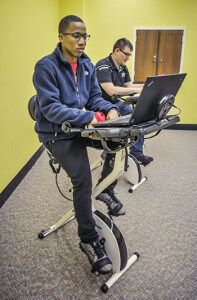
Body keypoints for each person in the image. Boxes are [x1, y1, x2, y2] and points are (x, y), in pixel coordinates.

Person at [33, 15, 123, 274]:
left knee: (118, 142)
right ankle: (89, 240)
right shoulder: (46, 66)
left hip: (80, 127)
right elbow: (51, 108)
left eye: (85, 36)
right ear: (61, 37)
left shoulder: (86, 64)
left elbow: (95, 98)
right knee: (83, 179)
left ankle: (107, 190)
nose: (82, 41)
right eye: (76, 35)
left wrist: (110, 110)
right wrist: (89, 117)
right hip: (55, 133)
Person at [95, 38, 153, 207]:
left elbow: (129, 85)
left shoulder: (122, 67)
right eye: (126, 54)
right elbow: (111, 90)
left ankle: (136, 152)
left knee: (138, 116)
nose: (128, 57)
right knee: (130, 116)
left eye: (130, 55)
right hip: (102, 106)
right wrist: (135, 89)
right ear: (117, 51)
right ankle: (113, 151)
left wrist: (145, 87)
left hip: (117, 103)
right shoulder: (103, 65)